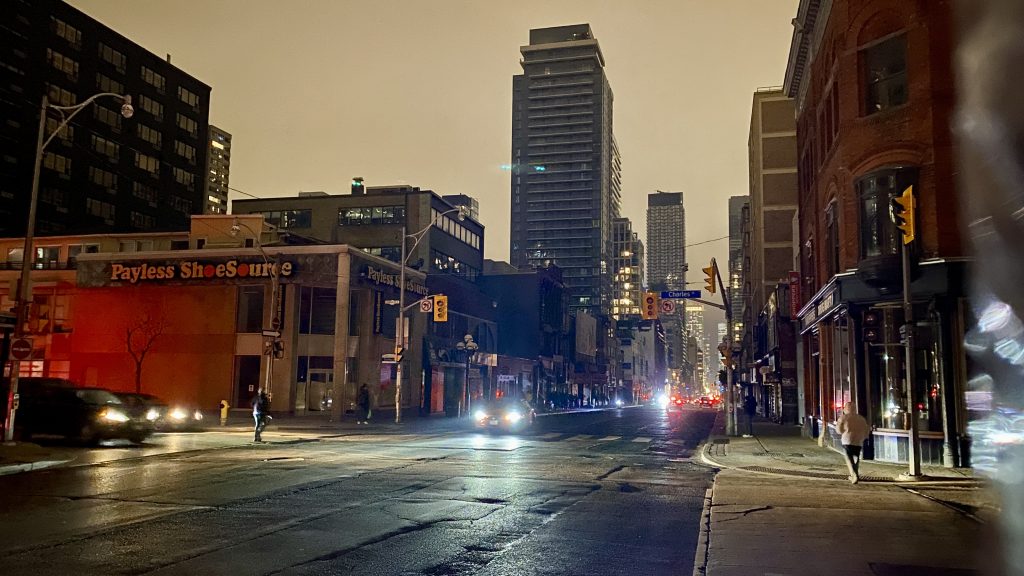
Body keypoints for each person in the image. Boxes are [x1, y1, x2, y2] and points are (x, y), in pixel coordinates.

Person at [836, 402, 871, 484]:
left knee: (849, 458)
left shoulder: (843, 418)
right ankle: (855, 475)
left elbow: (839, 430)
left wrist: (843, 432)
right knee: (856, 458)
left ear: (845, 409)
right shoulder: (861, 419)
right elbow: (866, 430)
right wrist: (863, 437)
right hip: (858, 441)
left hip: (847, 440)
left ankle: (854, 475)